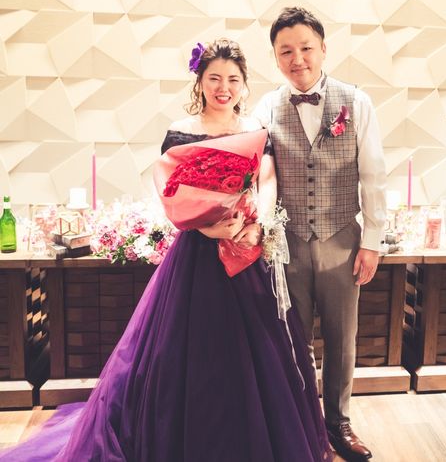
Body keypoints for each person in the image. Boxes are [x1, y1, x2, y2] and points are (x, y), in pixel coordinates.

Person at [0, 38, 332, 462]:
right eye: (214, 78)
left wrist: (258, 225)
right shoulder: (181, 131)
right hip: (197, 257)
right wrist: (207, 226)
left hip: (246, 253)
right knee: (188, 348)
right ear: (200, 81)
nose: (223, 88)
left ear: (244, 83)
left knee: (257, 355)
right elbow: (173, 193)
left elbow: (266, 182)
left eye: (232, 79)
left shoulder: (255, 129)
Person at [253, 7, 387, 462]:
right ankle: (303, 426)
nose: (298, 59)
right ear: (276, 58)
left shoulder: (357, 102)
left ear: (324, 49)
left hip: (342, 238)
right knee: (294, 340)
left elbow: (374, 175)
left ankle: (338, 423)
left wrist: (372, 241)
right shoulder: (265, 109)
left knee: (342, 337)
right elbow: (257, 177)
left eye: (306, 48)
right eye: (285, 51)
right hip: (286, 244)